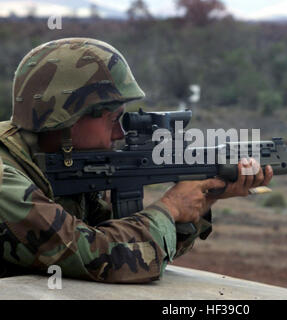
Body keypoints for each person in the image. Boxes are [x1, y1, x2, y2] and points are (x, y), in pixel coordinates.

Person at [0, 38, 273, 283]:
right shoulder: (5, 182)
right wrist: (170, 207)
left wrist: (204, 197)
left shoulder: (59, 164)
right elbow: (102, 256)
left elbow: (133, 243)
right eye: (113, 119)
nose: (120, 133)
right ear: (68, 121)